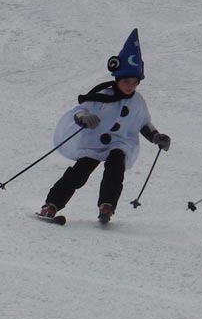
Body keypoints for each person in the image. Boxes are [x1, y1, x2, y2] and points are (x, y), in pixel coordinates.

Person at [38, 29, 171, 224]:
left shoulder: (138, 102)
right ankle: (51, 204)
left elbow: (143, 123)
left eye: (135, 82)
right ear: (117, 78)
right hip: (94, 143)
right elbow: (79, 109)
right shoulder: (103, 95)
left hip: (120, 143)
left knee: (115, 168)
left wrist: (157, 137)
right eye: (126, 81)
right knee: (79, 174)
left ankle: (107, 206)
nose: (130, 86)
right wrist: (84, 118)